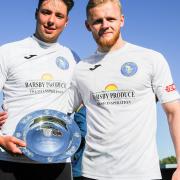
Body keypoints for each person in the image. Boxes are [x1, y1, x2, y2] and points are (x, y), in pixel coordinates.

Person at [65, 0, 180, 179]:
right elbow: (60, 111)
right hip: (92, 174)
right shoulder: (81, 69)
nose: (105, 25)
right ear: (88, 26)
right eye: (97, 21)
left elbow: (174, 112)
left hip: (142, 174)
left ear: (122, 20)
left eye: (110, 19)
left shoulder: (151, 59)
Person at [0, 0, 85, 180]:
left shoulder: (73, 58)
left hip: (58, 164)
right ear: (36, 13)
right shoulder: (8, 52)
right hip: (10, 160)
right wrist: (0, 140)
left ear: (66, 21)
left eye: (59, 16)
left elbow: (78, 103)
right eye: (46, 12)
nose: (51, 21)